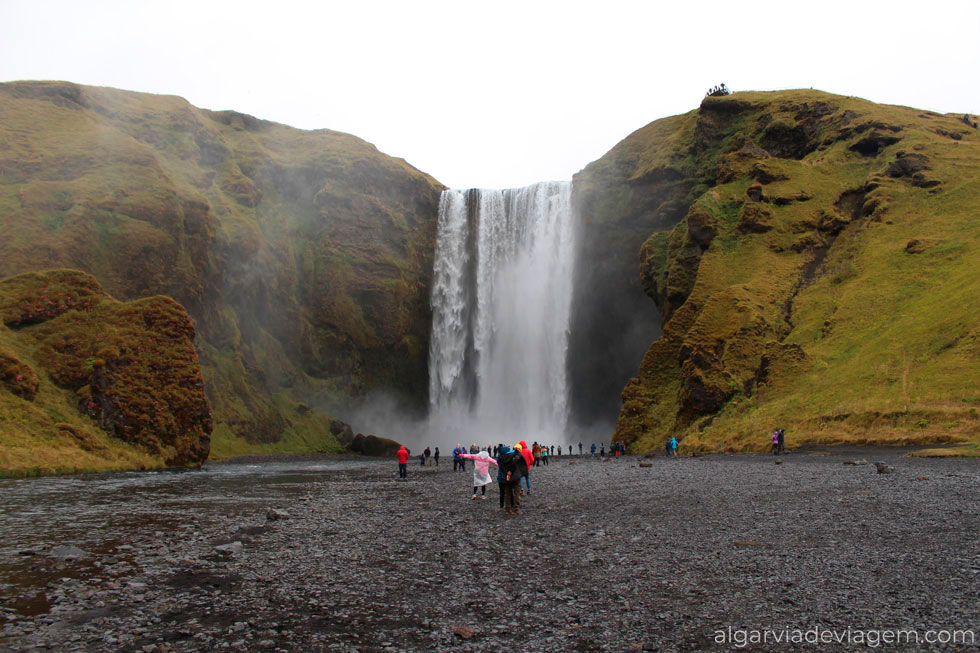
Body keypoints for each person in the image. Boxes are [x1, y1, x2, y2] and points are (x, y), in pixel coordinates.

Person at [497, 443, 522, 515]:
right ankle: (515, 509)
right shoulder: (513, 456)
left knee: (507, 493)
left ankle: (507, 509)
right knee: (516, 493)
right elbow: (516, 463)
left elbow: (501, 467)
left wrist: (507, 474)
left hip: (506, 478)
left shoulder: (501, 458)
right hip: (515, 477)